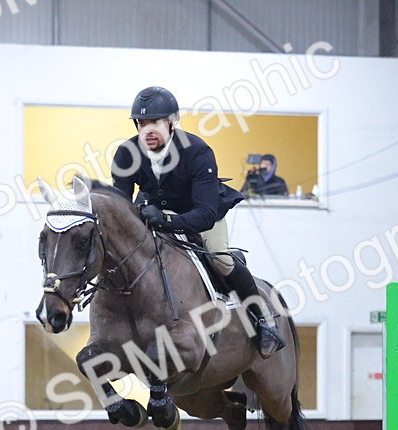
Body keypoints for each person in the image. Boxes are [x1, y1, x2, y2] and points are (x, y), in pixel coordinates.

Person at [110, 86, 285, 359]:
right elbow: (121, 207)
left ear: (171, 122)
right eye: (141, 123)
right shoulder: (126, 154)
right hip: (156, 213)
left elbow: (204, 214)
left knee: (219, 258)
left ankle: (263, 317)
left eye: (155, 122)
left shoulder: (197, 151)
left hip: (202, 213)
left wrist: (166, 219)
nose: (147, 130)